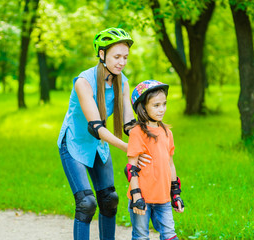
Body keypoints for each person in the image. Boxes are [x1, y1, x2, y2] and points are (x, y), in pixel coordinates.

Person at [57, 27, 150, 240]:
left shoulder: (122, 81)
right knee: (86, 203)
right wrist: (129, 148)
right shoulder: (84, 81)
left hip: (99, 146)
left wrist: (146, 139)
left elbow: (128, 121)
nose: (122, 62)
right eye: (117, 56)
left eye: (125, 57)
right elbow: (96, 127)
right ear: (102, 54)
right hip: (74, 143)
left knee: (109, 200)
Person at [124, 80, 185, 240]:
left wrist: (175, 193)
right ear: (143, 107)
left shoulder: (167, 133)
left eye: (164, 104)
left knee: (170, 235)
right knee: (141, 236)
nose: (162, 109)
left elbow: (170, 164)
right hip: (142, 197)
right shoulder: (137, 132)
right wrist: (136, 195)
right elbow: (131, 168)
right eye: (156, 105)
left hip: (163, 197)